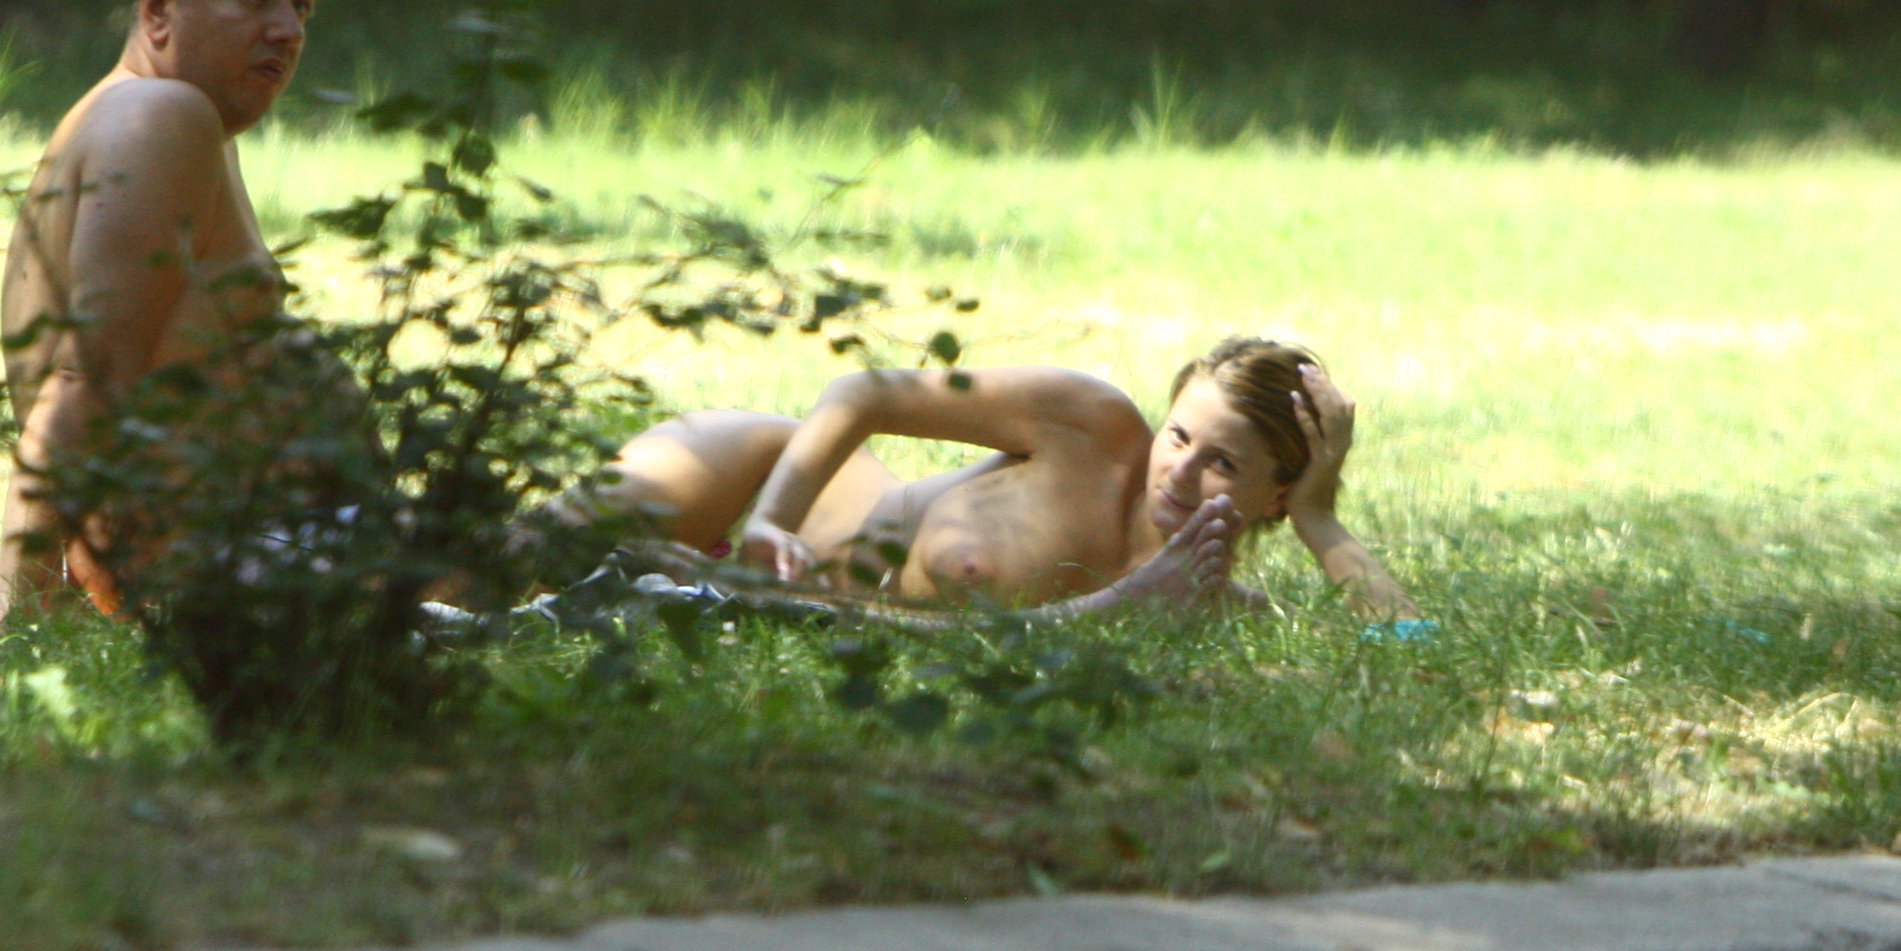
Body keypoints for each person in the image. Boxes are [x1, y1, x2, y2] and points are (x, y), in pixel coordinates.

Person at [0, 0, 323, 632]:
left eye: (300, 6)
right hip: (231, 567)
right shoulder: (159, 115)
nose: (287, 29)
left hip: (246, 553)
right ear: (158, 8)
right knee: (627, 502)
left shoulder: (171, 121)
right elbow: (86, 375)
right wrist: (18, 601)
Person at [587, 336, 1416, 621]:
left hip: (752, 605)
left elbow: (1411, 651)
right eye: (1180, 436)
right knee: (491, 565)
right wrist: (770, 521)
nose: (1182, 470)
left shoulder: (1206, 606)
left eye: (1224, 464)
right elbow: (863, 392)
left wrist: (1321, 517)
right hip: (756, 478)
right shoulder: (1091, 428)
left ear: (1272, 495)